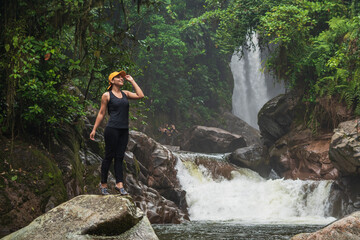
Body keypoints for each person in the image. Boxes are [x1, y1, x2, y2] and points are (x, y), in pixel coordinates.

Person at [90, 71, 144, 195]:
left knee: (120, 157)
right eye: (118, 77)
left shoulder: (125, 94)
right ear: (112, 81)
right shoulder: (107, 95)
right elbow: (101, 113)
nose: (121, 79)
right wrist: (94, 129)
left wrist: (132, 81)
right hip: (112, 129)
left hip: (124, 130)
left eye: (122, 77)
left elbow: (141, 95)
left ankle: (119, 184)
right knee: (109, 156)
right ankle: (103, 184)